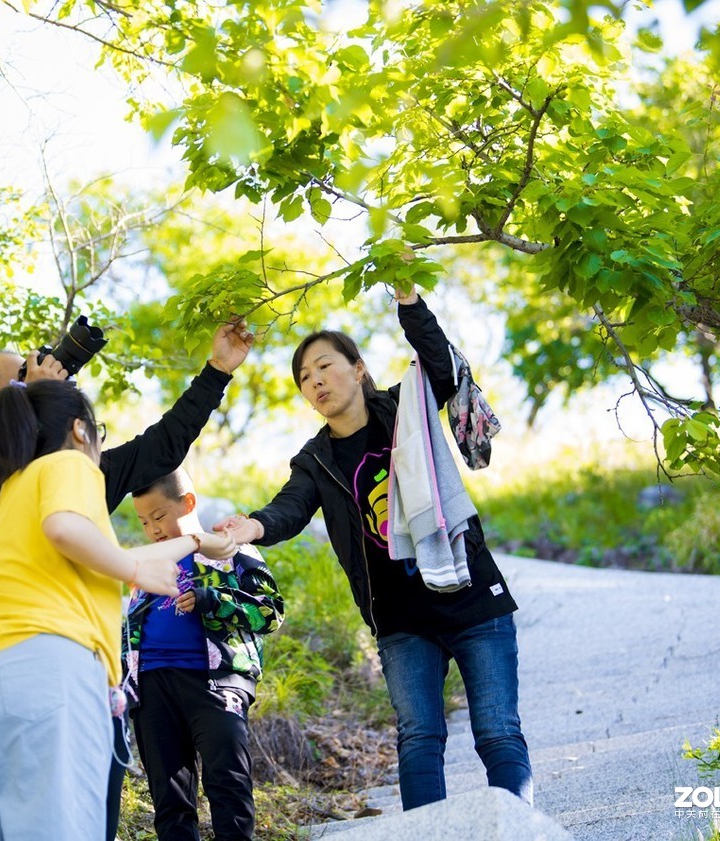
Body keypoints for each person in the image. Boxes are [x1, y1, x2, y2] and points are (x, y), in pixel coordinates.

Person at [214, 289, 532, 810]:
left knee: (498, 734)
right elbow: (288, 510)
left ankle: (517, 826)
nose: (315, 381)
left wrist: (410, 303)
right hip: (402, 621)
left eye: (324, 366)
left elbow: (444, 369)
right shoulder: (315, 461)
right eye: (304, 378)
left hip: (471, 597)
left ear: (358, 369)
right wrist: (249, 527)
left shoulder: (405, 407)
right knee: (419, 740)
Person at [0, 320, 254, 840]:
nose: (33, 376)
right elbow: (60, 520)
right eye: (18, 375)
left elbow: (160, 447)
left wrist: (217, 373)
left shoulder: (59, 470)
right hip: (46, 671)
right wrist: (44, 399)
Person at [125, 468, 284, 841]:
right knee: (169, 797)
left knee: (227, 781)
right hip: (151, 685)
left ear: (189, 502)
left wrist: (211, 599)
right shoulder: (146, 562)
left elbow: (270, 611)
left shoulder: (231, 549)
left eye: (160, 516)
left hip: (215, 682)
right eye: (144, 521)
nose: (153, 529)